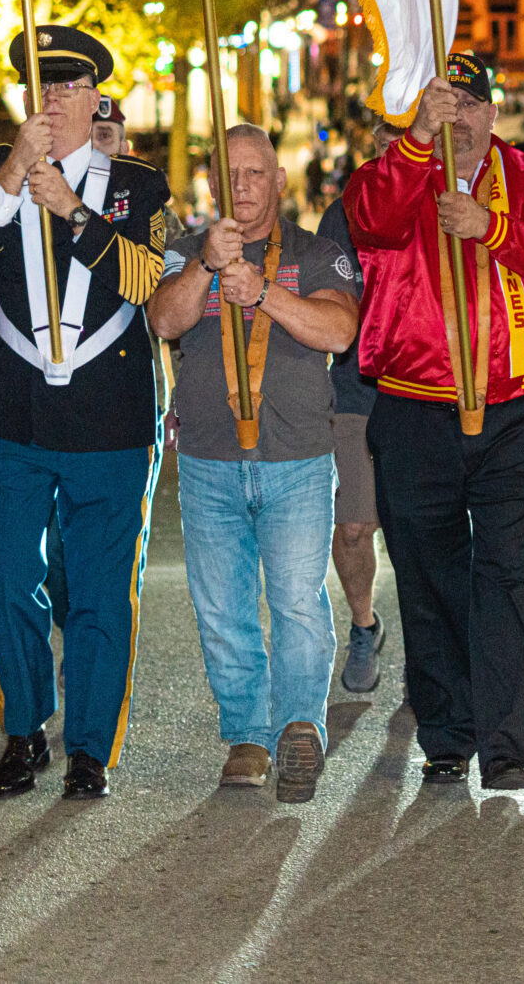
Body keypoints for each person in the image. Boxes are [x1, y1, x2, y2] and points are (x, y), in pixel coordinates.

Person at [344, 52, 524, 791]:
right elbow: (367, 219)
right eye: (445, 102)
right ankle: (447, 733)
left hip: (511, 411)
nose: (461, 117)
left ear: (493, 111)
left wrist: (491, 225)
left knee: (508, 572)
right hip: (414, 410)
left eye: (471, 103)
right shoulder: (394, 171)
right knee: (428, 574)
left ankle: (510, 745)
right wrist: (415, 145)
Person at [0, 25, 172, 802]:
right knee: (9, 581)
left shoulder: (136, 184)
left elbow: (145, 279)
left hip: (108, 415)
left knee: (101, 591)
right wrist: (15, 172)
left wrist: (74, 212)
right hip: (14, 414)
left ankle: (89, 747)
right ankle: (24, 729)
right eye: (42, 86)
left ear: (95, 96)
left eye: (69, 86)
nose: (54, 99)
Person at [150, 123, 361, 803]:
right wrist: (207, 267)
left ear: (278, 181)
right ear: (212, 182)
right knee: (222, 607)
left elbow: (339, 328)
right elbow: (164, 321)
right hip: (210, 458)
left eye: (254, 173)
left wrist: (262, 290)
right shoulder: (187, 251)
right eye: (228, 174)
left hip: (296, 456)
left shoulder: (317, 251)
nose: (241, 186)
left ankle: (300, 726)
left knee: (297, 600)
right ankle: (247, 732)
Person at [315, 120, 399, 696]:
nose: (398, 147)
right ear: (372, 140)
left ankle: (432, 637)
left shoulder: (452, 200)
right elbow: (335, 303)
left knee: (425, 527)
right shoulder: (345, 210)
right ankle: (365, 624)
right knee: (352, 527)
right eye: (389, 136)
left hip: (429, 390)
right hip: (357, 388)